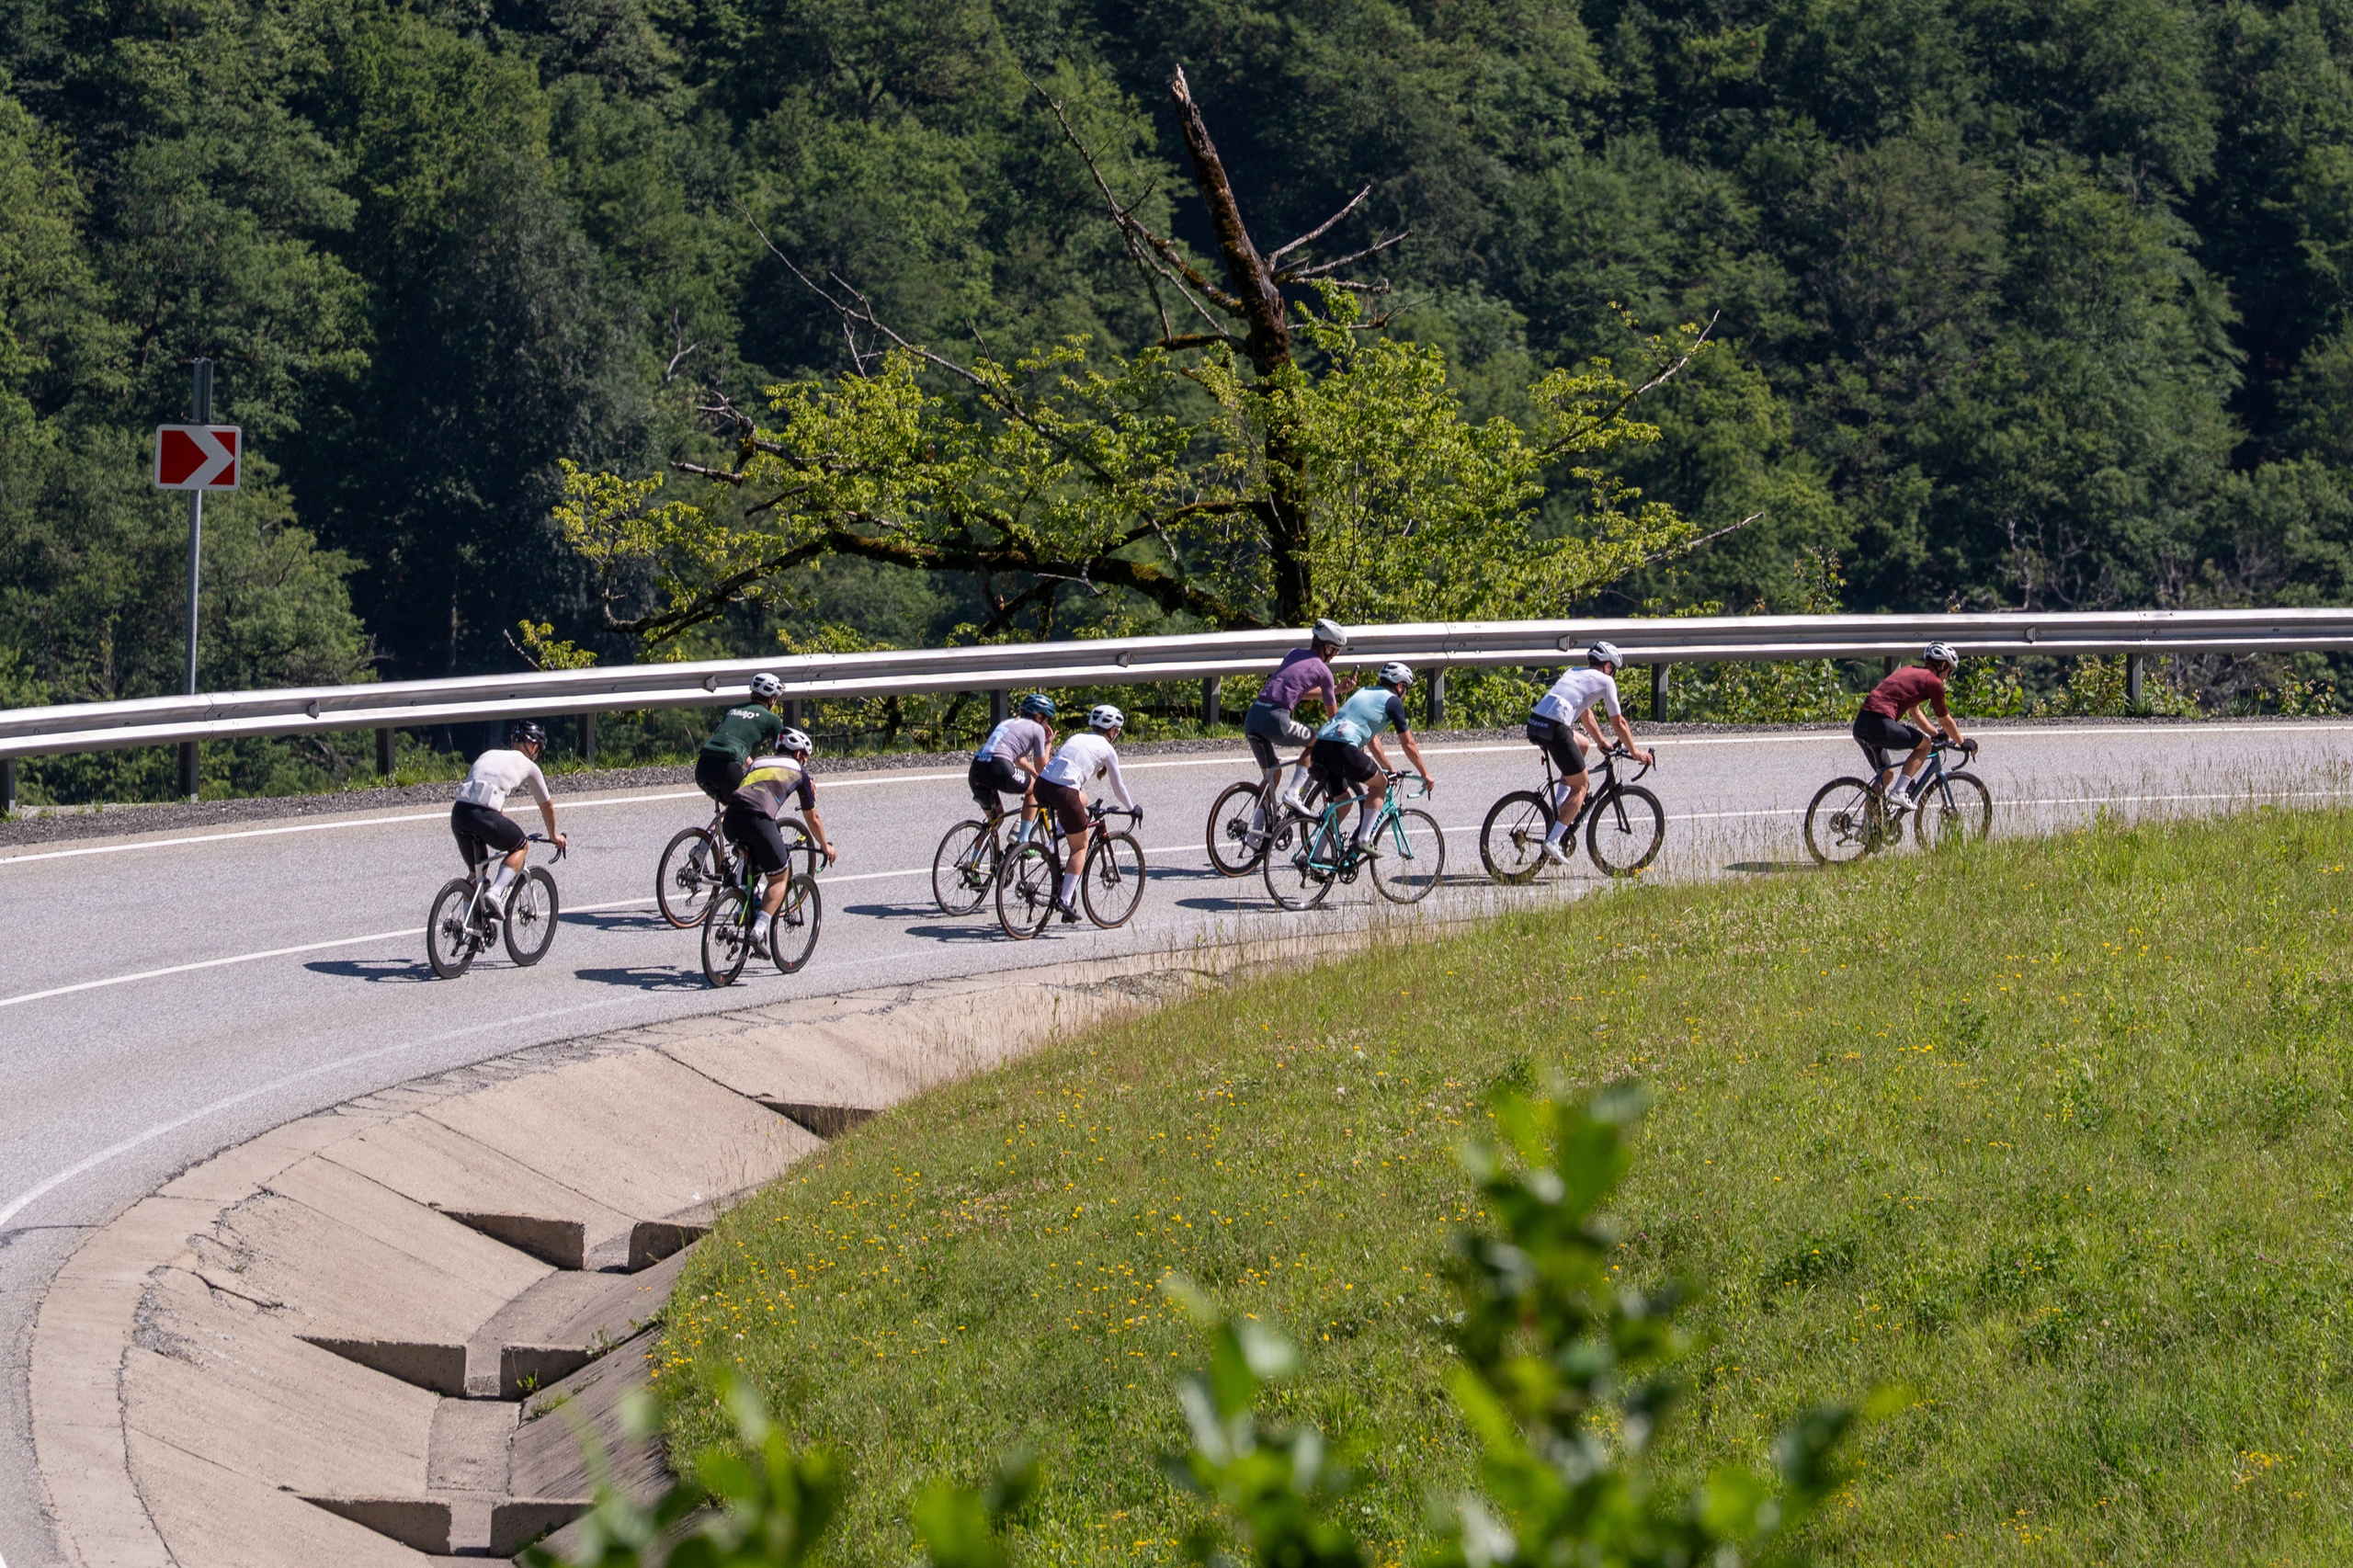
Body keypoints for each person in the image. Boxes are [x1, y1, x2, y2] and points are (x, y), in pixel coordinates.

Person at [1527, 642, 1655, 866]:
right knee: (1582, 786)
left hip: (1536, 723)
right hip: (1556, 728)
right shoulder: (1606, 682)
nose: (1612, 673)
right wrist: (1635, 752)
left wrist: (1601, 742)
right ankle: (1554, 839)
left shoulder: (1575, 673)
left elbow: (1586, 715)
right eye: (1613, 669)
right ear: (1608, 667)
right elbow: (1619, 722)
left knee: (1583, 745)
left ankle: (1559, 807)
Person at [1307, 662, 1434, 860]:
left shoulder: (1364, 692)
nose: (1405, 694)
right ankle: (1363, 839)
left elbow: (1372, 739)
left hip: (1320, 747)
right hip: (1342, 748)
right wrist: (1425, 773)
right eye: (1405, 689)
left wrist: (1389, 768)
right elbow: (1408, 743)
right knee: (1379, 785)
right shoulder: (1393, 702)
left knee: (1343, 803)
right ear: (1400, 687)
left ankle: (1314, 858)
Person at [729, 727, 837, 953]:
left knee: (752, 853)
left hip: (731, 819)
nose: (804, 762)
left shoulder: (758, 762)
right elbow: (813, 818)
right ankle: (758, 931)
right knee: (780, 876)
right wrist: (824, 845)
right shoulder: (799, 771)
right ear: (799, 755)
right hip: (759, 819)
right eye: (805, 758)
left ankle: (742, 904)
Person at [449, 721, 567, 920]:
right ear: (533, 747)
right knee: (521, 845)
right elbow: (547, 806)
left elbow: (487, 796)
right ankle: (496, 893)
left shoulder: (489, 754)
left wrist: (500, 822)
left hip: (459, 813)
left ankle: (467, 931)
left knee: (477, 872)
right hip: (484, 815)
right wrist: (553, 835)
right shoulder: (530, 767)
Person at [1035, 703, 1138, 922]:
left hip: (1042, 785)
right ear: (1112, 730)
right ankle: (1064, 900)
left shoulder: (1077, 737)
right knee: (1080, 847)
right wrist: (1132, 809)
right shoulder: (1108, 749)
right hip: (1065, 792)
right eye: (1116, 731)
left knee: (1083, 799)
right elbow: (1118, 787)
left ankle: (1055, 839)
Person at [1245, 619, 1351, 818]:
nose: (1337, 654)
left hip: (1253, 717)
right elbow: (1333, 720)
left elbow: (1298, 691)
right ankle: (1294, 793)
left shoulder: (1294, 653)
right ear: (1327, 647)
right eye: (1336, 650)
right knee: (1318, 743)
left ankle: (1256, 835)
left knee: (1273, 775)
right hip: (1276, 720)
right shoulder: (1324, 671)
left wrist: (1335, 690)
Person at [1856, 642, 1974, 817]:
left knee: (1886, 774)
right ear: (1942, 665)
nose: (1947, 677)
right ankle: (1899, 792)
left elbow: (1914, 711)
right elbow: (1944, 719)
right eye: (1949, 671)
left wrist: (1936, 733)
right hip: (1880, 722)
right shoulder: (1933, 682)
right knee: (1925, 745)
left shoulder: (1910, 671)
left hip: (1862, 724)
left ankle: (1866, 828)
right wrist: (1963, 742)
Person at [695, 673, 788, 809]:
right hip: (727, 768)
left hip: (702, 767)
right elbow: (786, 753)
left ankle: (711, 831)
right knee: (751, 808)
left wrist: (752, 768)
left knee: (733, 808)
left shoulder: (734, 709)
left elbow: (733, 746)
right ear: (772, 698)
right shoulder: (771, 719)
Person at [969, 693, 1057, 835]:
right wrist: (1048, 744)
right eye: (1048, 719)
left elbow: (1019, 761)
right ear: (1039, 717)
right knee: (1035, 787)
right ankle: (1023, 840)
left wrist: (1036, 776)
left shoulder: (1007, 722)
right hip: (998, 766)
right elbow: (1042, 768)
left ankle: (975, 857)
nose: (1048, 724)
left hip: (976, 768)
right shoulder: (1038, 729)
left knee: (995, 820)